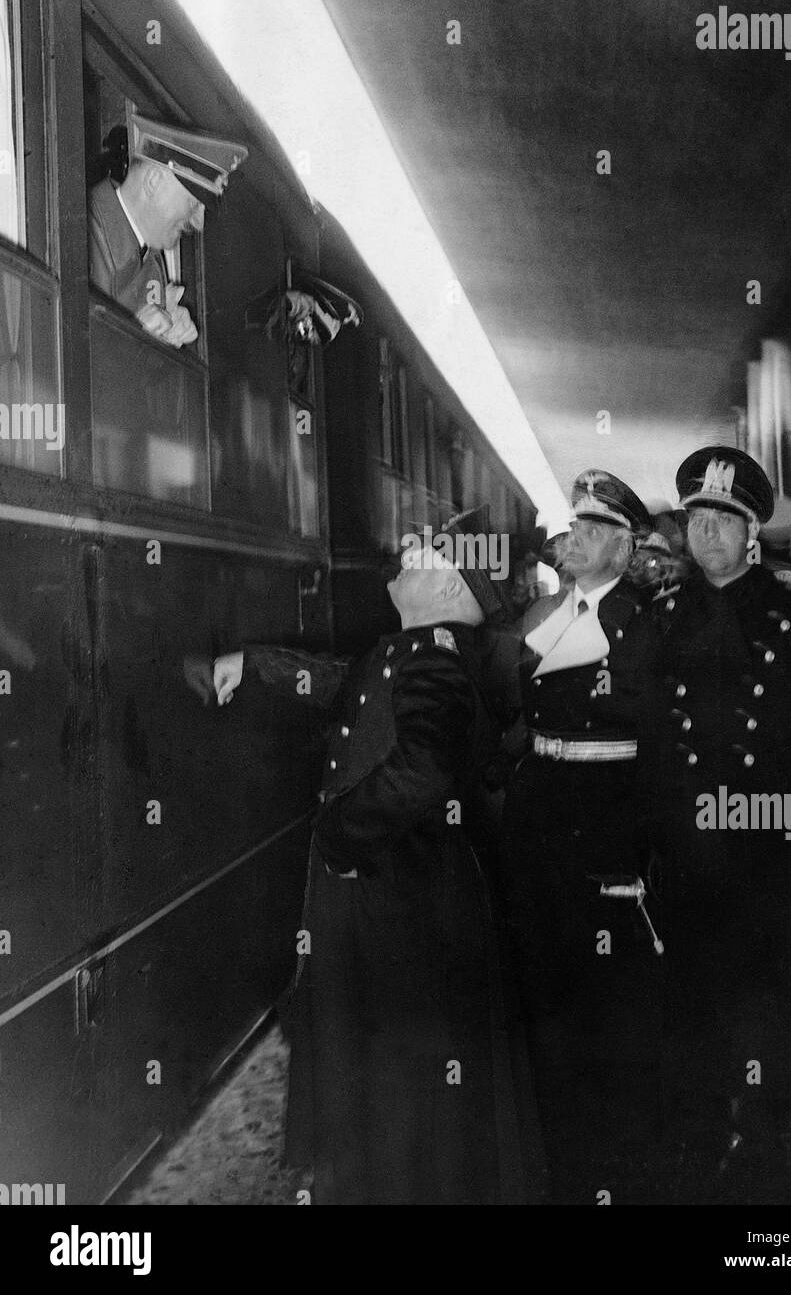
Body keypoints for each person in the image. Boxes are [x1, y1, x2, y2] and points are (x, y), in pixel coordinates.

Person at [212, 507, 533, 1205]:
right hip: (395, 890)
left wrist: (338, 836)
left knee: (392, 1061)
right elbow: (343, 683)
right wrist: (259, 664)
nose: (405, 557)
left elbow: (423, 768)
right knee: (385, 1063)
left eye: (424, 557)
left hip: (400, 893)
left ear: (452, 592)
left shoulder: (436, 659)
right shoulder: (414, 648)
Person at [652, 446, 791, 1202]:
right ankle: (707, 1129)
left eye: (723, 518)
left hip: (772, 840)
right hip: (686, 843)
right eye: (695, 517)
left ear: (751, 532)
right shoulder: (665, 613)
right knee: (696, 991)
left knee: (772, 995)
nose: (705, 531)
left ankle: (773, 1132)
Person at [497, 469, 665, 1204]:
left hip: (607, 814)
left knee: (605, 994)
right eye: (576, 525)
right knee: (541, 981)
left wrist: (647, 847)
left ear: (626, 549)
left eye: (597, 530)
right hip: (538, 812)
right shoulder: (538, 613)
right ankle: (553, 1151)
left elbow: (662, 740)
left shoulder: (646, 620)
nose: (578, 538)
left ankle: (612, 1158)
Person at [89, 114, 247, 345]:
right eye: (194, 203)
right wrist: (133, 331)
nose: (199, 223)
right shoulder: (79, 233)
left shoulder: (151, 261)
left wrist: (167, 337)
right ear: (153, 181)